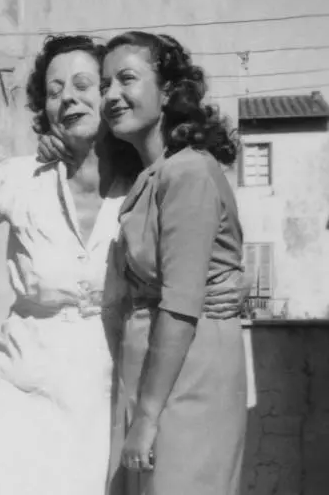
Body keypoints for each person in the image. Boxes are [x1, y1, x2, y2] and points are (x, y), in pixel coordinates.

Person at [0, 34, 135, 495]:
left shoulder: (142, 187)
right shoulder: (21, 177)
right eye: (54, 91)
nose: (67, 98)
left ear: (109, 94)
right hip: (19, 390)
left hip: (102, 395)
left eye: (82, 84)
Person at [101, 31, 247, 495]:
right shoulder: (154, 174)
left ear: (167, 92)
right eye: (105, 84)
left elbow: (182, 302)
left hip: (188, 373)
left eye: (127, 79)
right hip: (155, 373)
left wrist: (146, 418)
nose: (111, 95)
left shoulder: (187, 172)